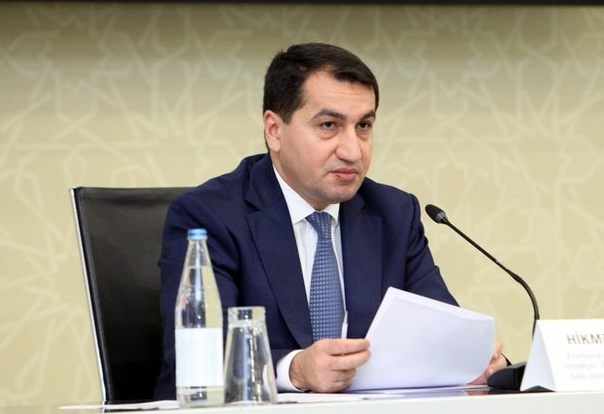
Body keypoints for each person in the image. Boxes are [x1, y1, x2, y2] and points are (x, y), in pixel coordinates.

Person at [154, 42, 507, 399]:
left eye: (364, 126)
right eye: (328, 125)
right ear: (274, 130)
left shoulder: (394, 214)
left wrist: (475, 362)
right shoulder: (209, 217)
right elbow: (198, 357)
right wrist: (295, 369)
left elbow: (442, 334)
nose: (353, 150)